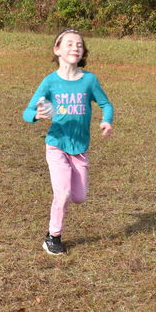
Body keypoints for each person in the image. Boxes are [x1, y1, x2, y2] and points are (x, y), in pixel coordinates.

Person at [22, 28, 114, 255]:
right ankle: (53, 237)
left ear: (83, 53)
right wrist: (36, 115)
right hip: (56, 144)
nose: (75, 47)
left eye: (79, 45)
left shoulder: (89, 80)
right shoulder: (50, 82)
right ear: (57, 50)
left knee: (79, 197)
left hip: (80, 148)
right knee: (62, 194)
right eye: (70, 44)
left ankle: (60, 211)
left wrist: (107, 121)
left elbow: (106, 104)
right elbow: (27, 111)